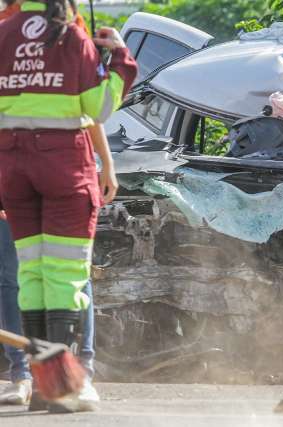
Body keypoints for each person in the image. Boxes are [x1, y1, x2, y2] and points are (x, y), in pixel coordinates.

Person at [0, 0, 137, 412]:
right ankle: (64, 388)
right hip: (63, 169)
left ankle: (44, 387)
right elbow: (98, 109)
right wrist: (120, 60)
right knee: (66, 275)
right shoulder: (72, 34)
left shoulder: (3, 34)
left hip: (15, 172)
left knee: (33, 275)